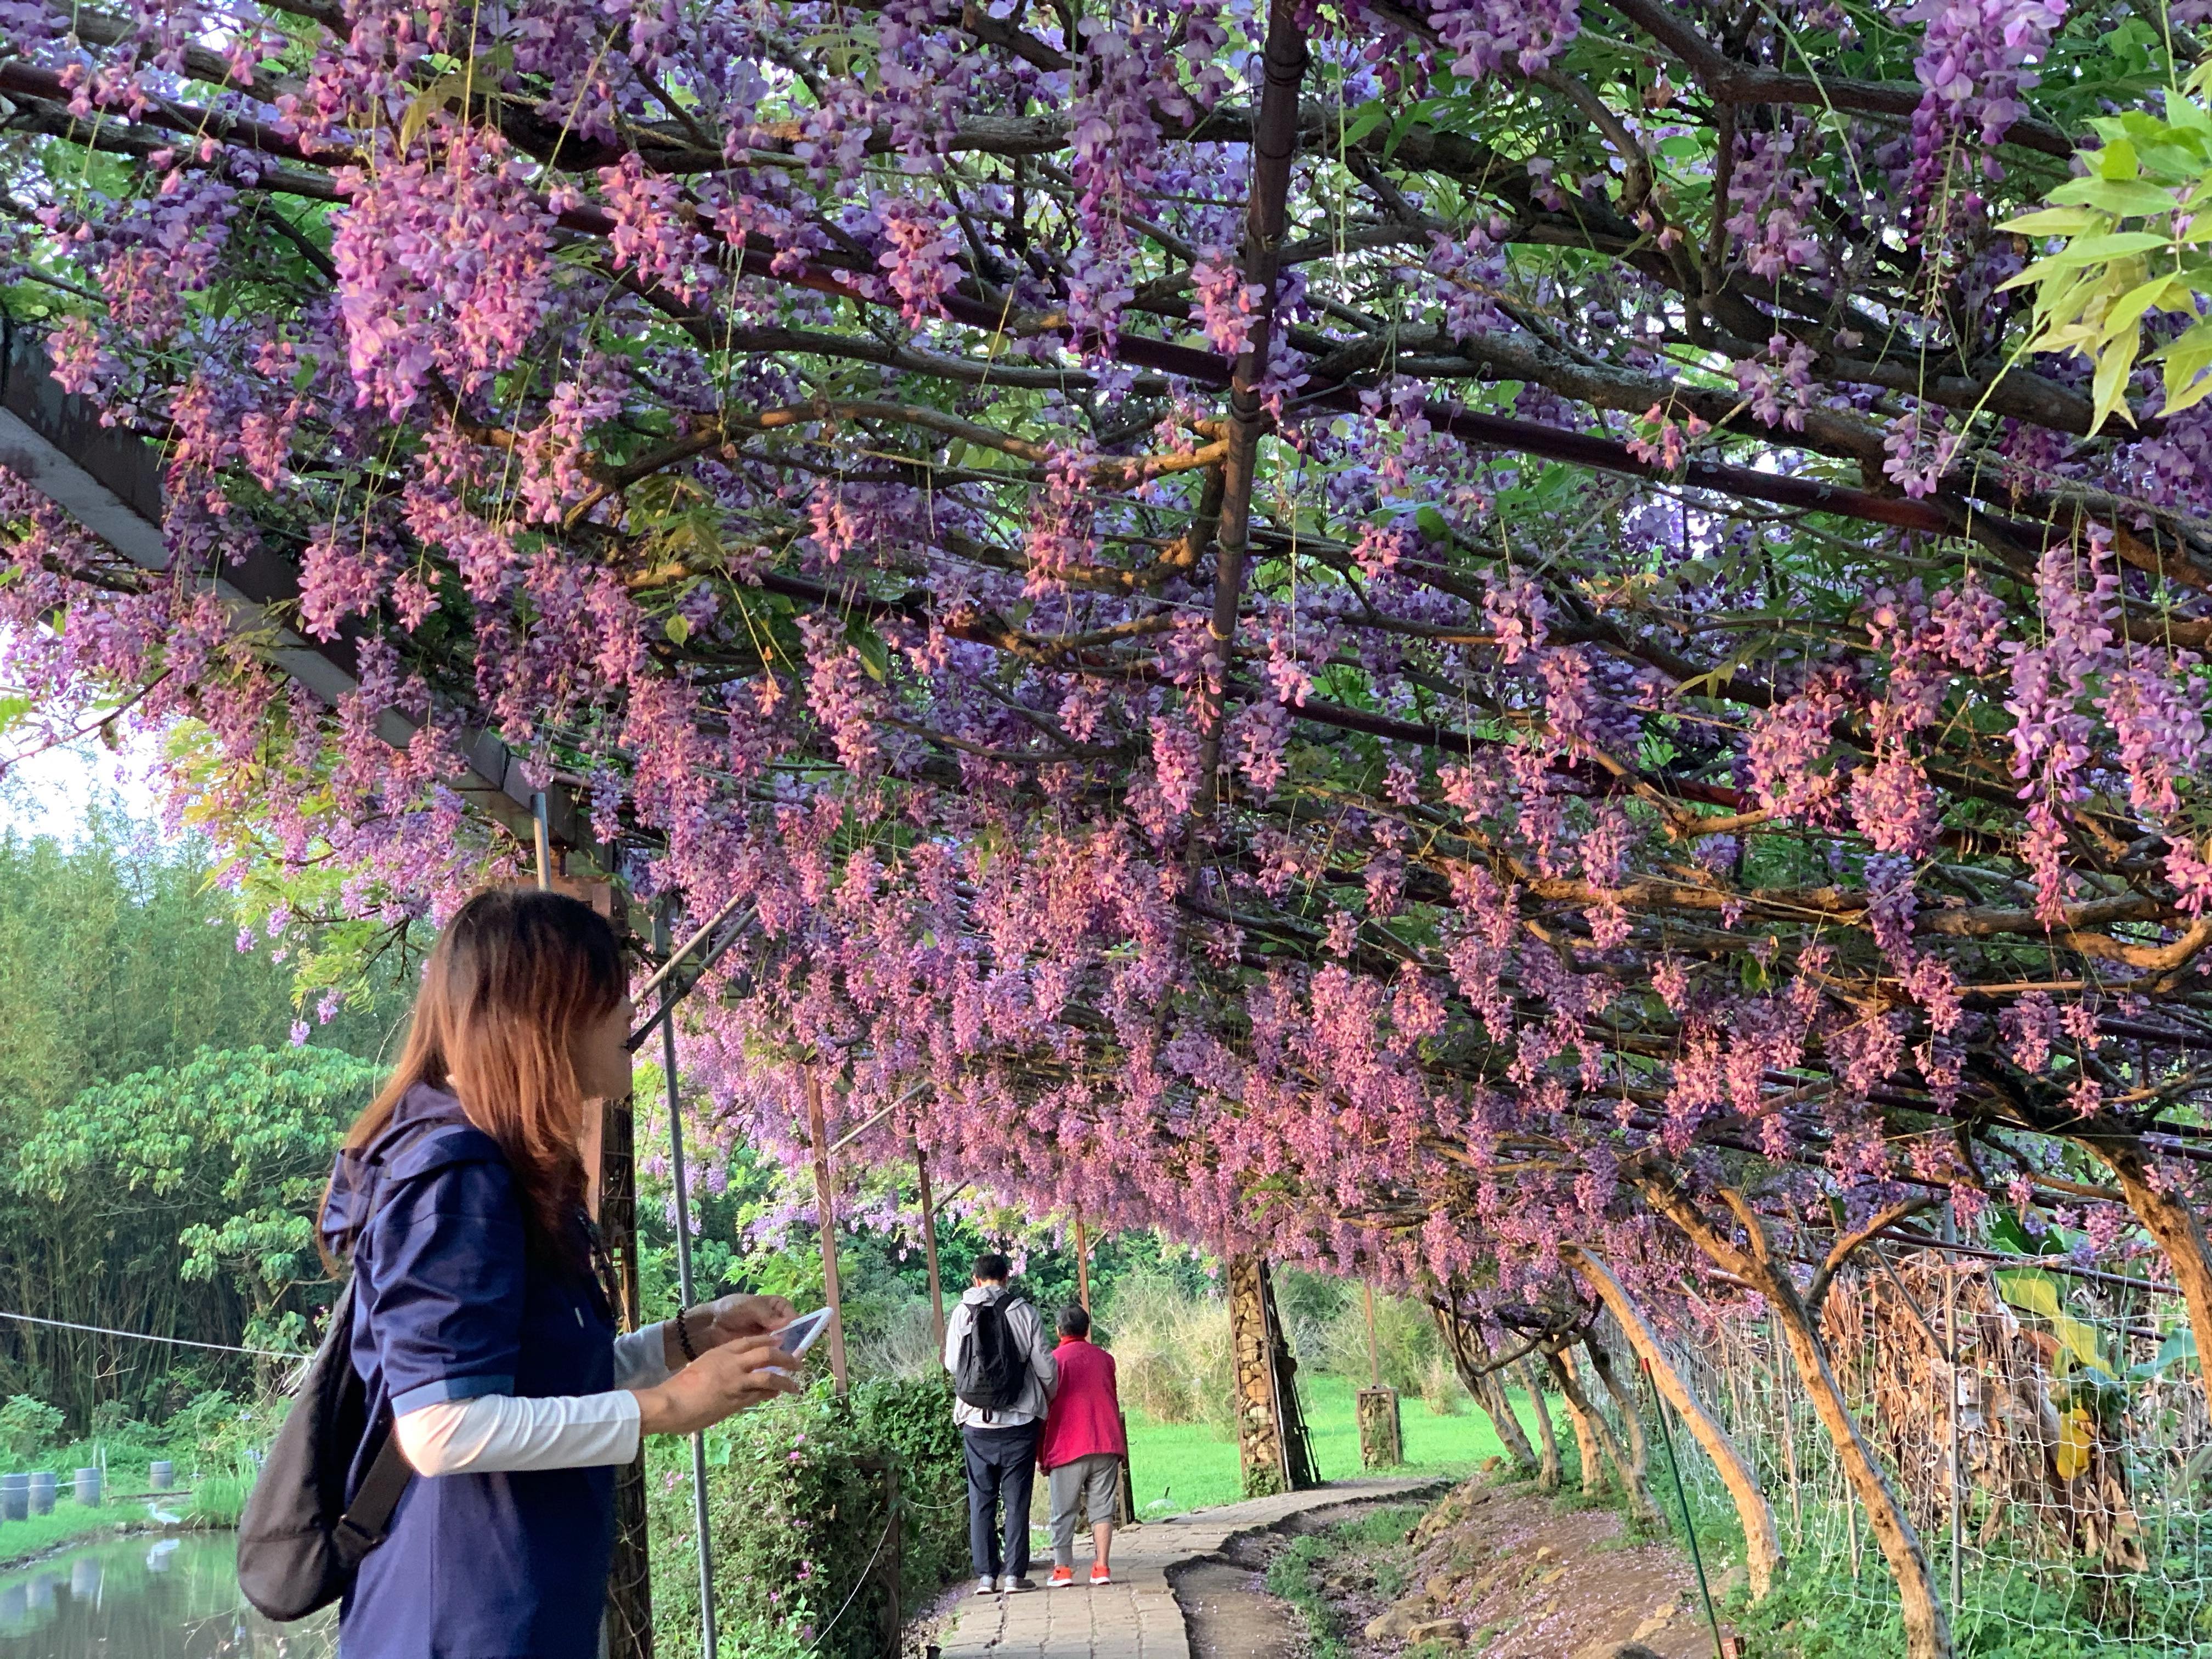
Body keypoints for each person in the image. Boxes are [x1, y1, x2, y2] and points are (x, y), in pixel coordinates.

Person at [319, 887, 807, 1659]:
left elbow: (530, 1381)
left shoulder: (508, 1168)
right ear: (547, 1014)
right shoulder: (455, 1175)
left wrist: (682, 1342)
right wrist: (664, 1407)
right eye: (610, 997)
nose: (627, 1020)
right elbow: (440, 1430)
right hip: (460, 1624)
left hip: (517, 1614)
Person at [945, 1251, 1057, 1595]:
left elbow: (952, 1364)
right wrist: (1046, 1400)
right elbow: (1046, 1369)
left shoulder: (962, 1313)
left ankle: (985, 1577)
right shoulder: (1023, 1312)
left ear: (975, 1280)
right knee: (1017, 1499)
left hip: (975, 1423)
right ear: (1007, 1277)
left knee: (981, 1499)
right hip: (1020, 1421)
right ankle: (1014, 1576)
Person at [1037, 1305, 1128, 1588]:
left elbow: (1045, 1409)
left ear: (1058, 1331)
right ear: (1087, 1330)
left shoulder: (1052, 1362)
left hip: (1068, 1445)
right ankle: (1102, 1568)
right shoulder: (1105, 1359)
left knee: (1063, 1511)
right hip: (1105, 1441)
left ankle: (1063, 1570)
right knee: (1102, 1509)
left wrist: (1041, 1453)